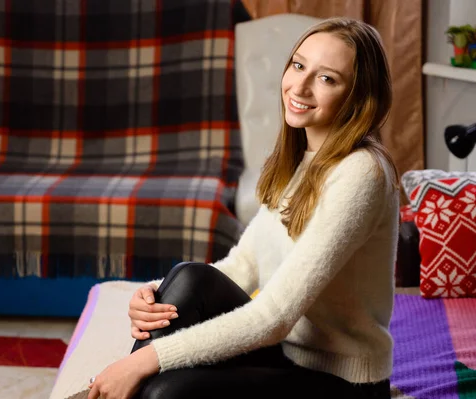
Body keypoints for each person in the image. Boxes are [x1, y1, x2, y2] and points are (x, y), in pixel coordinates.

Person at [87, 16, 399, 399]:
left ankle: (118, 386)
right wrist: (158, 296)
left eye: (326, 78)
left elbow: (274, 317)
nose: (299, 86)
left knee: (164, 391)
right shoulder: (300, 156)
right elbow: (242, 268)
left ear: (359, 96)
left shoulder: (362, 173)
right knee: (190, 277)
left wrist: (143, 360)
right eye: (299, 65)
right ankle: (114, 391)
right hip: (289, 357)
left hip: (344, 383)